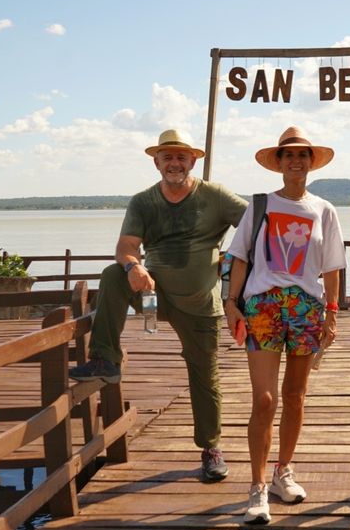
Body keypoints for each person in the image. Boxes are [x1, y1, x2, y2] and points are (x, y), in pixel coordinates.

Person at [69, 129, 246, 483]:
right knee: (112, 274)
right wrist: (134, 265)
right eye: (168, 157)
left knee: (205, 377)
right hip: (155, 297)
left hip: (201, 305)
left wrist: (240, 276)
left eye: (181, 157)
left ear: (193, 161)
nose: (175, 163)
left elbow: (257, 226)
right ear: (156, 163)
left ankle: (211, 449)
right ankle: (107, 359)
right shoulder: (143, 201)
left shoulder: (216, 196)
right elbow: (125, 246)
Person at [223, 127, 345, 525]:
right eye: (288, 155)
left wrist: (331, 312)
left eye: (303, 154)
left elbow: (332, 268)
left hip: (307, 309)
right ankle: (257, 487)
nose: (296, 161)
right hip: (263, 308)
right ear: (278, 163)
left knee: (295, 395)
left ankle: (282, 472)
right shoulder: (260, 205)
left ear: (311, 162)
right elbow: (238, 257)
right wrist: (231, 303)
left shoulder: (324, 210)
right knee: (264, 400)